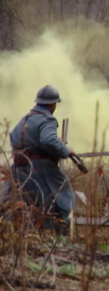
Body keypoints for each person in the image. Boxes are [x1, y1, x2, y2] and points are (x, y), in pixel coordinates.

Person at [7, 85, 76, 233]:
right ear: (52, 104)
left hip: (19, 169)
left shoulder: (26, 118)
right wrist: (65, 150)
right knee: (65, 195)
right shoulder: (47, 120)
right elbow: (48, 140)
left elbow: (13, 137)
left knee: (24, 202)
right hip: (41, 168)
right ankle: (65, 233)